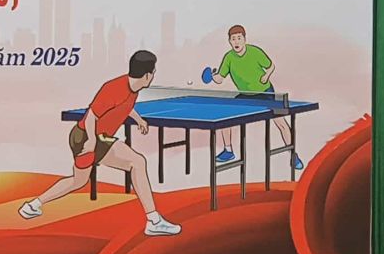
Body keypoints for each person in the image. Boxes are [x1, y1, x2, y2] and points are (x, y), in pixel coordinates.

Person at [19, 50, 181, 236]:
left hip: (91, 137)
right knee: (137, 162)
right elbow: (91, 116)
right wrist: (91, 141)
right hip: (88, 137)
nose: (153, 76)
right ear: (146, 75)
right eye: (153, 72)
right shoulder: (114, 88)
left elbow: (124, 105)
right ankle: (154, 221)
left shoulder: (133, 87)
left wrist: (138, 119)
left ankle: (32, 205)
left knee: (78, 181)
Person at [208, 24, 300, 169]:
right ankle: (228, 150)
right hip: (246, 96)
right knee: (225, 116)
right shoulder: (229, 58)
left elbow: (271, 66)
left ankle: (293, 154)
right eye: (233, 39)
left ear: (244, 39)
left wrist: (266, 76)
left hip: (265, 93)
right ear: (229, 41)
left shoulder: (255, 52)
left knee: (281, 123)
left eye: (239, 38)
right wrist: (213, 76)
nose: (236, 42)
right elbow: (220, 79)